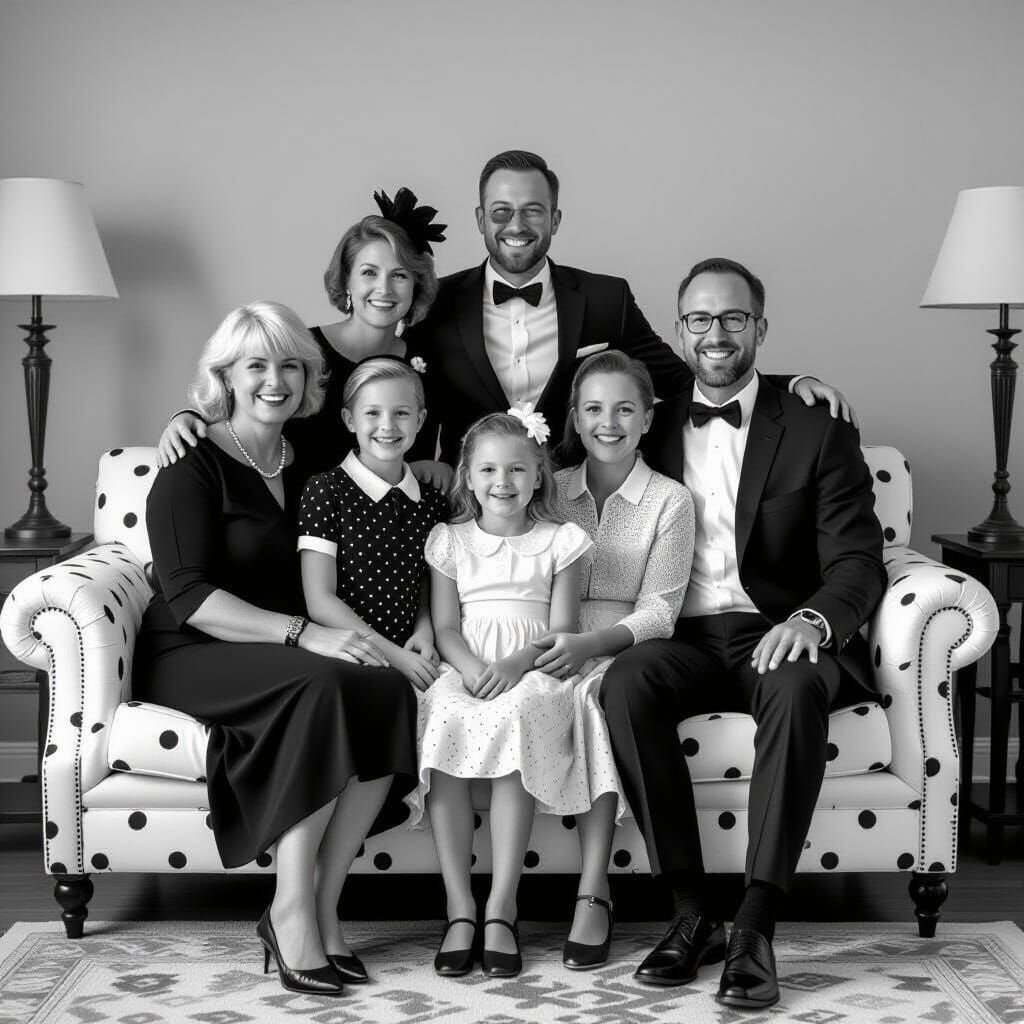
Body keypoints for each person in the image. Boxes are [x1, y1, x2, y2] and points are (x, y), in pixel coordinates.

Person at [599, 258, 886, 1009]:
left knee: (796, 687)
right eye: (700, 319)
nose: (716, 334)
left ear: (761, 327)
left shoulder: (817, 425)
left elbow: (858, 558)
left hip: (778, 630)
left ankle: (756, 926)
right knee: (625, 683)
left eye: (734, 318)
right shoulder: (644, 421)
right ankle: (692, 916)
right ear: (679, 330)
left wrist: (812, 620)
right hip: (680, 633)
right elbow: (562, 438)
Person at [133, 302, 422, 997]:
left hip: (286, 646)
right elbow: (190, 596)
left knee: (385, 686)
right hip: (191, 649)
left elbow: (389, 469)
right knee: (321, 687)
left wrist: (442, 474)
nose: (275, 379)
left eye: (290, 365)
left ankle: (324, 905)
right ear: (225, 376)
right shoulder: (191, 464)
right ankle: (288, 909)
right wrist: (302, 633)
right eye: (257, 365)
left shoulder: (315, 459)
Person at [406, 149, 854, 465]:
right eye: (501, 211)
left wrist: (789, 383)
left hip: (580, 506)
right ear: (481, 219)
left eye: (533, 211)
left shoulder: (606, 299)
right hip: (469, 508)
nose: (517, 225)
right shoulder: (436, 302)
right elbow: (408, 402)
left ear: (555, 219)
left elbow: (683, 381)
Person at [406, 409, 593, 978]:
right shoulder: (449, 540)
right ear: (467, 475)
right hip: (466, 663)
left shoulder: (561, 540)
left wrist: (515, 663)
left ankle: (500, 906)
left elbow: (563, 628)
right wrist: (467, 669)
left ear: (539, 474)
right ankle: (459, 906)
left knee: (518, 717)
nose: (502, 482)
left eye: (516, 469)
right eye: (487, 469)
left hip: (534, 664)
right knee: (445, 718)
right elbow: (444, 627)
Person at [539, 350, 695, 970]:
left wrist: (587, 648)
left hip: (624, 644)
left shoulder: (669, 500)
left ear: (648, 419)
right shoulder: (547, 486)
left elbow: (660, 610)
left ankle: (593, 889)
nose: (610, 422)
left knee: (593, 701)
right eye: (595, 409)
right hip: (545, 632)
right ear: (574, 418)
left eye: (625, 408)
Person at [157, 187, 452, 488]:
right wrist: (188, 417)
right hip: (295, 521)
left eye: (399, 275)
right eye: (369, 273)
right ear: (346, 279)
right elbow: (239, 404)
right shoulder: (299, 350)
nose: (384, 289)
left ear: (416, 285)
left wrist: (429, 468)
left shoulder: (428, 364)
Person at [298, 357, 448, 693]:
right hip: (346, 654)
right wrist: (393, 655)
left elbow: (424, 580)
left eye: (401, 413)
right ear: (349, 419)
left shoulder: (432, 502)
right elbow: (320, 600)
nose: (388, 425)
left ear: (420, 419)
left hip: (415, 652)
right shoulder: (326, 490)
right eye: (372, 413)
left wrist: (424, 630)